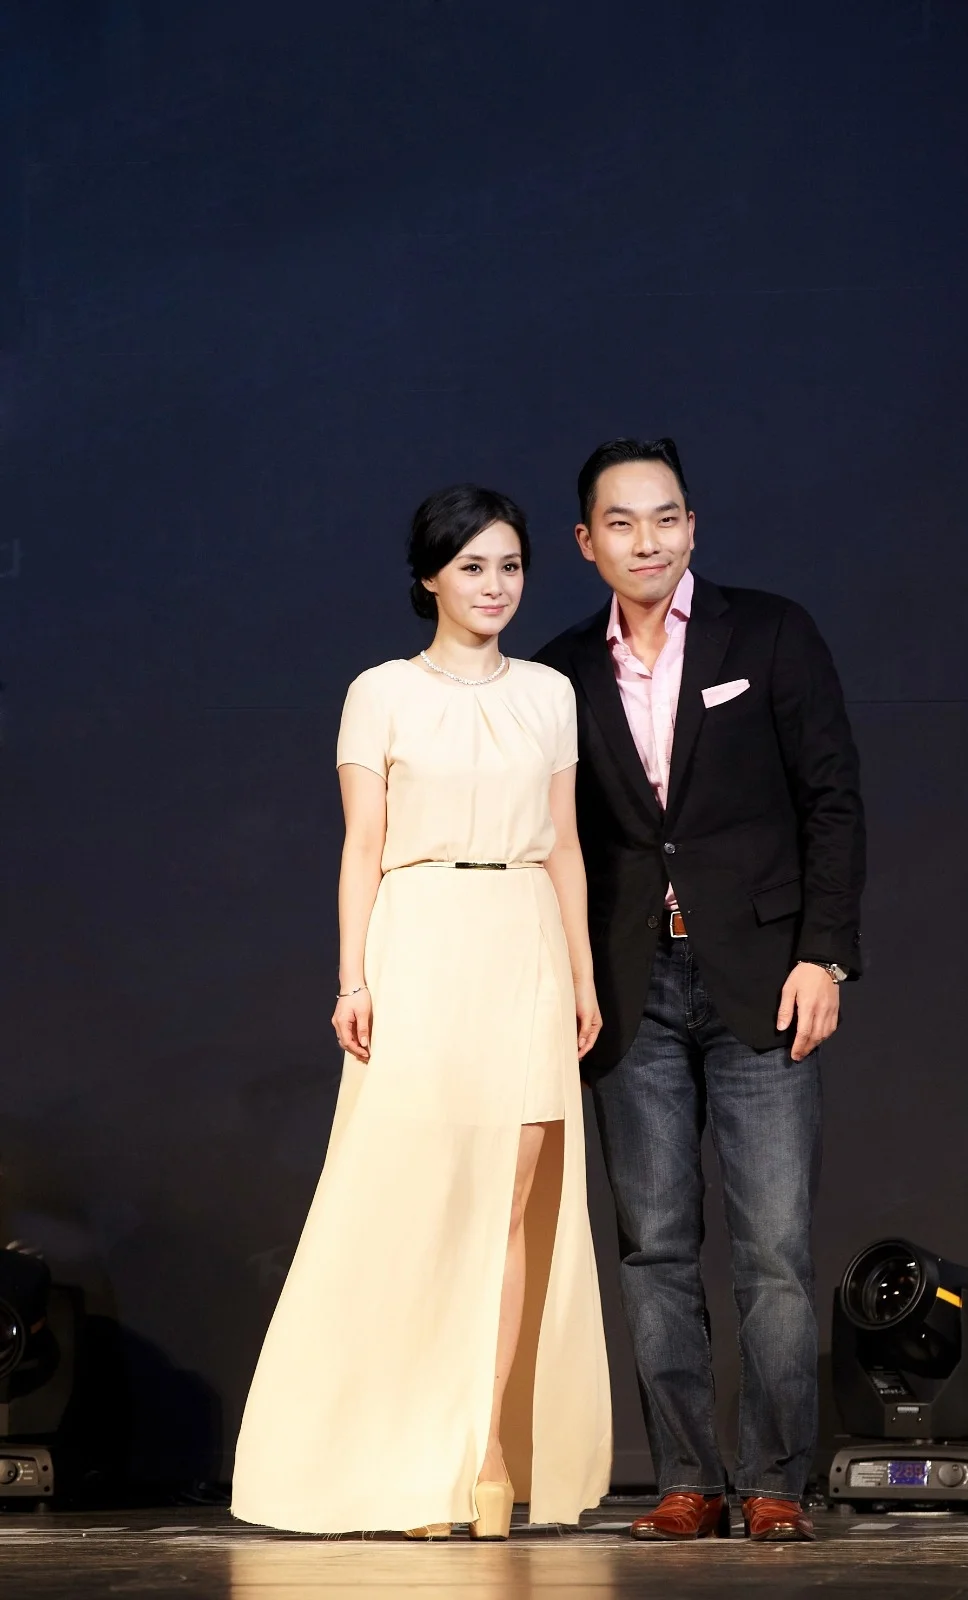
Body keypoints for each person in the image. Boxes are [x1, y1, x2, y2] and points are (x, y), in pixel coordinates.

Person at [232, 484, 611, 1538]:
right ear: (430, 578)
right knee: (423, 1201)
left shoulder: (547, 694)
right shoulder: (381, 692)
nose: (495, 586)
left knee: (511, 1207)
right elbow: (361, 845)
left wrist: (583, 976)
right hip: (423, 937)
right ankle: (408, 1455)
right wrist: (352, 978)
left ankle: (482, 1453)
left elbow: (565, 844)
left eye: (511, 566)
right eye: (473, 566)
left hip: (524, 938)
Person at [536, 438, 865, 1543]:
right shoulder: (559, 670)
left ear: (693, 525)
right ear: (586, 542)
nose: (648, 540)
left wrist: (825, 955)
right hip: (630, 987)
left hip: (762, 978)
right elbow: (560, 841)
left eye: (665, 517)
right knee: (655, 1249)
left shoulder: (767, 632)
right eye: (621, 522)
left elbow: (832, 800)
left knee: (773, 1252)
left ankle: (774, 1482)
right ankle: (687, 1478)